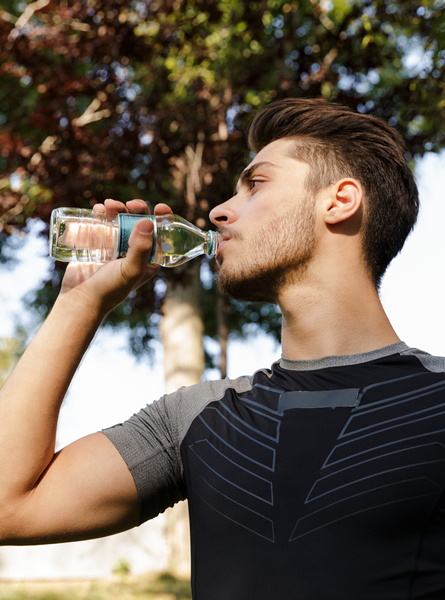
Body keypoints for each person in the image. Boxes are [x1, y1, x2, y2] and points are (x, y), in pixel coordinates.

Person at [0, 97, 444, 600]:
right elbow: (7, 505)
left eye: (256, 184)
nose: (218, 210)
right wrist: (79, 303)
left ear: (339, 200)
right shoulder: (194, 417)